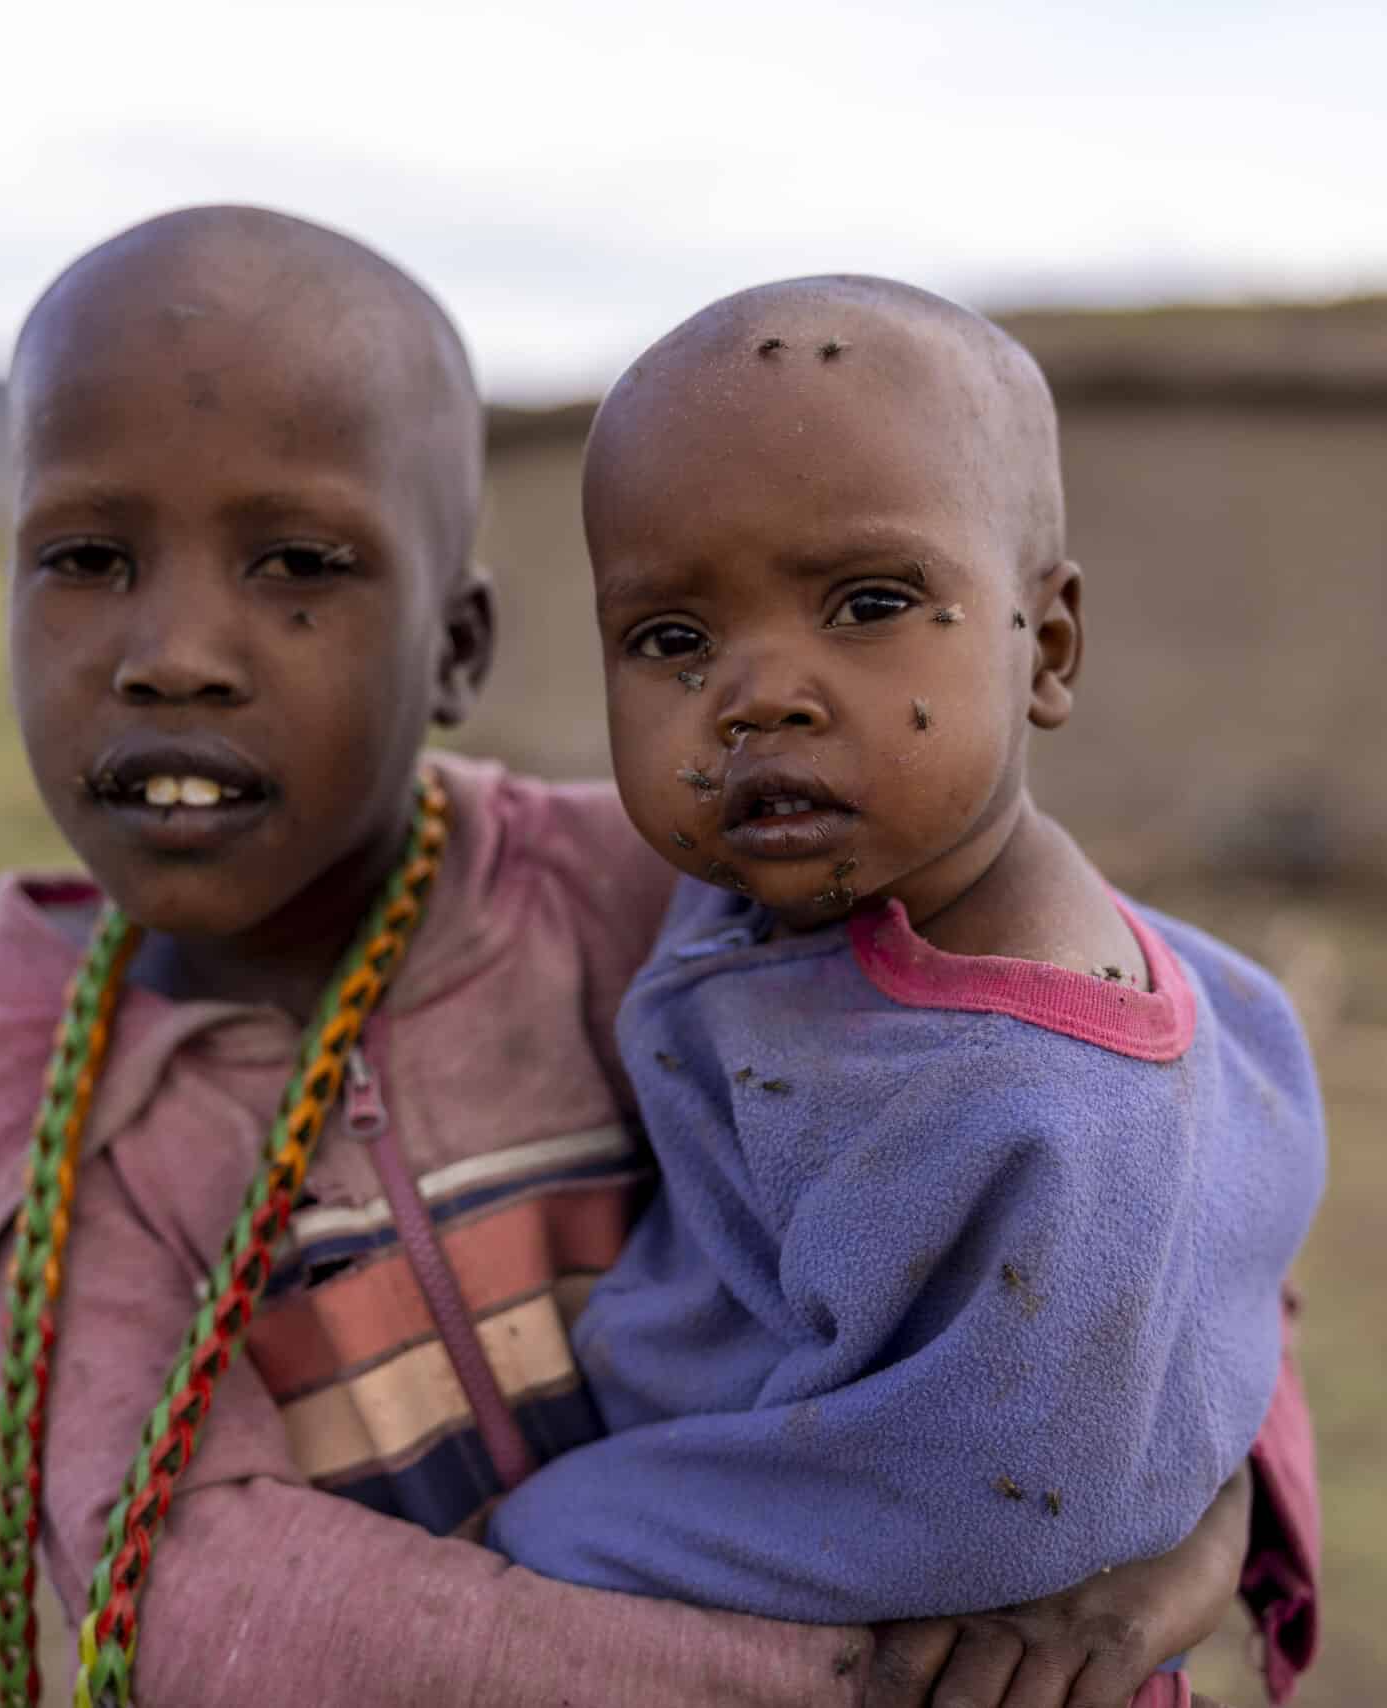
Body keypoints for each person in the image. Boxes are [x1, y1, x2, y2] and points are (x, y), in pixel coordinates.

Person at [0, 209, 1320, 1708]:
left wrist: (1192, 1527)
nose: (175, 650)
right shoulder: (46, 1088)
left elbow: (1155, 1146)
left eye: (300, 560)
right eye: (87, 556)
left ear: (457, 650)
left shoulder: (671, 884)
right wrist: (857, 1684)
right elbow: (188, 1592)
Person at [482, 275, 1327, 1695]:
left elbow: (974, 1507)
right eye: (671, 640)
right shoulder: (807, 882)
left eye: (869, 603)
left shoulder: (1031, 1106)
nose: (755, 696)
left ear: (1045, 646)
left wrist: (549, 1537)